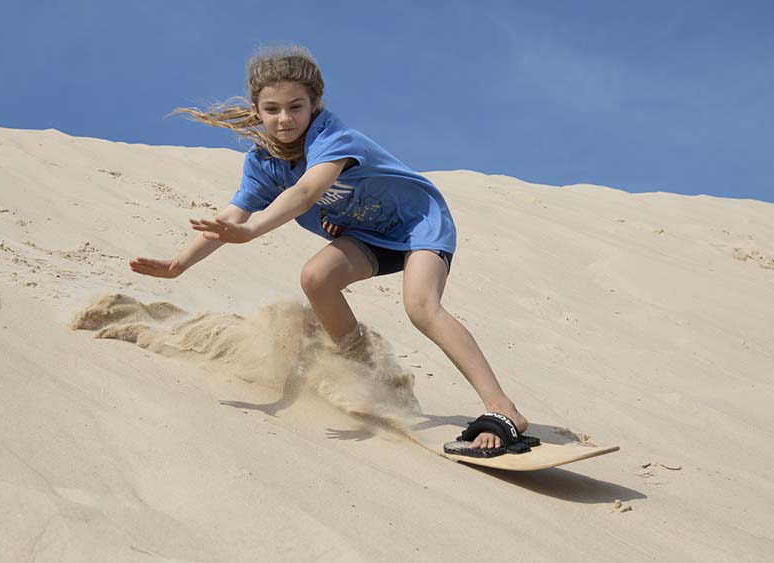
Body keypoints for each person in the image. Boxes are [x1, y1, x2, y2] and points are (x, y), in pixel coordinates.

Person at [129, 45, 528, 454]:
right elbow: (231, 216)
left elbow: (304, 193)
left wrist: (252, 232)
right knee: (316, 278)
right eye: (272, 109)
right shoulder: (263, 164)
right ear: (256, 110)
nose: (284, 119)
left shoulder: (331, 137)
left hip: (417, 223)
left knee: (420, 307)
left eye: (295, 107)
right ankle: (365, 369)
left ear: (315, 104)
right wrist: (180, 264)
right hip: (368, 236)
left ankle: (503, 408)